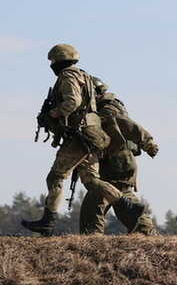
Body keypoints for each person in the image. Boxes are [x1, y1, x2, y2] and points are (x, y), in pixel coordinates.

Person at [21, 44, 146, 236]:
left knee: (55, 177)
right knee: (91, 180)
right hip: (93, 136)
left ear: (59, 60)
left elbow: (73, 101)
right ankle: (126, 204)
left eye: (53, 61)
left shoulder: (68, 75)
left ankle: (48, 221)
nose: (52, 65)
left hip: (79, 137)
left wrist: (54, 113)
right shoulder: (85, 76)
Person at [79, 78, 159, 235]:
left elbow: (127, 125)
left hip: (117, 164)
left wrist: (148, 143)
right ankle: (146, 232)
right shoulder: (102, 108)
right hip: (119, 163)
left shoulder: (107, 110)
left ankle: (91, 239)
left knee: (98, 202)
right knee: (120, 199)